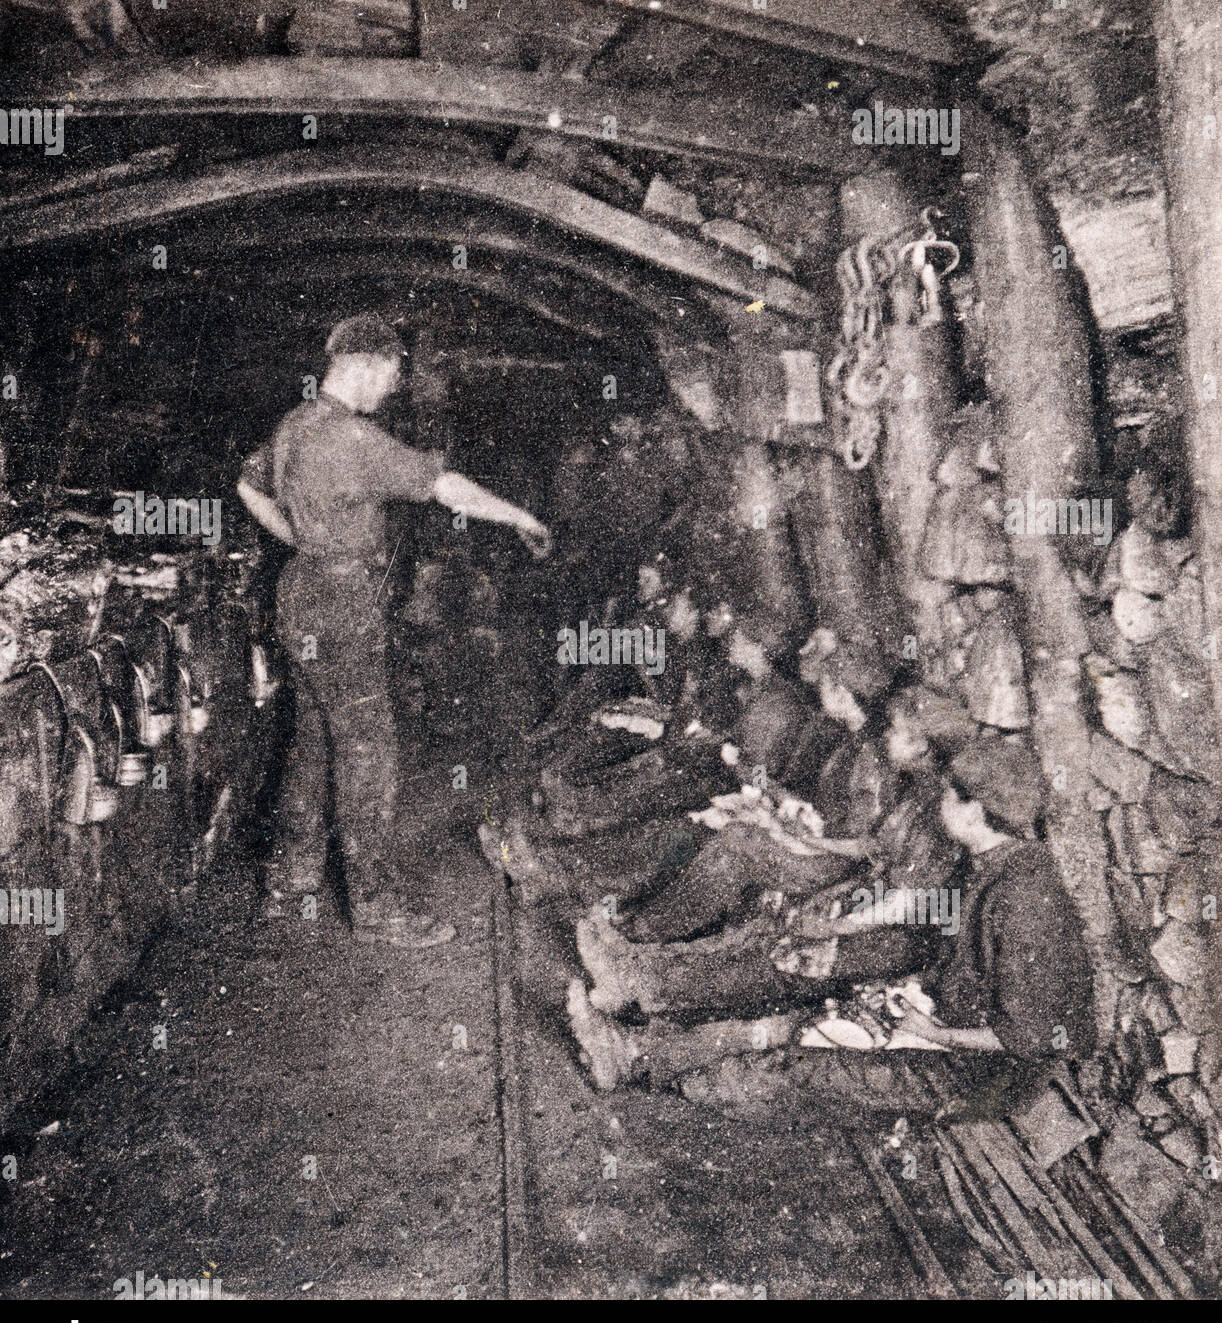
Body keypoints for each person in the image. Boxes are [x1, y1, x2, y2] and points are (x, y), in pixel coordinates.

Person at [567, 735, 1096, 1125]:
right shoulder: (989, 861)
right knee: (796, 993)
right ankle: (637, 1024)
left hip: (981, 1071)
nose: (940, 801)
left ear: (977, 810)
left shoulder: (1025, 899)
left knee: (797, 1063)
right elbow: (936, 920)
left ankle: (647, 1057)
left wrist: (931, 1031)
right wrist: (850, 956)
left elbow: (1036, 1037)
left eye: (951, 794)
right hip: (944, 1010)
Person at [237, 313, 552, 940]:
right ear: (368, 363)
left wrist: (301, 540)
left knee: (314, 736)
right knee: (369, 749)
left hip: (301, 591)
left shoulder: (297, 424)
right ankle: (375, 907)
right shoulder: (354, 439)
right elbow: (448, 489)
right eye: (391, 374)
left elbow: (248, 486)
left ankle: (291, 878)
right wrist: (521, 517)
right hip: (342, 603)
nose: (391, 388)